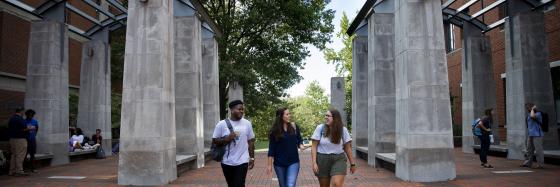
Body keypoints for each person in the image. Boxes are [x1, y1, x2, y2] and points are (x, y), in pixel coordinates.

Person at [212, 100, 255, 187]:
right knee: (231, 184)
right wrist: (227, 139)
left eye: (242, 109)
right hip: (227, 161)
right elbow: (214, 140)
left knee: (239, 184)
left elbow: (251, 141)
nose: (242, 111)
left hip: (242, 160)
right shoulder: (221, 124)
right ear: (231, 110)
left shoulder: (247, 123)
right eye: (239, 109)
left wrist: (252, 158)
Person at [311, 108, 356, 187]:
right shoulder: (320, 128)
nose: (326, 117)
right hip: (322, 159)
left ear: (335, 118)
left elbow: (347, 148)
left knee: (337, 184)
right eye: (325, 115)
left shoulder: (343, 130)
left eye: (328, 116)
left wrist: (352, 164)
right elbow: (314, 146)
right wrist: (314, 163)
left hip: (338, 159)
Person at [267, 107, 306, 187]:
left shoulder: (294, 126)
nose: (289, 116)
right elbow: (271, 149)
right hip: (279, 163)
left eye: (289, 114)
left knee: (290, 185)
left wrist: (301, 145)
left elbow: (299, 139)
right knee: (283, 185)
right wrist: (269, 165)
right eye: (287, 114)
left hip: (293, 162)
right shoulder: (274, 131)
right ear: (281, 116)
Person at [521, 103, 544, 169]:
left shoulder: (538, 114)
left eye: (528, 107)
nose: (527, 109)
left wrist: (533, 109)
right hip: (530, 134)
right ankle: (528, 163)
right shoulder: (528, 114)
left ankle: (540, 164)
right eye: (527, 108)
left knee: (538, 150)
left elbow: (532, 116)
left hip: (537, 134)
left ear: (532, 107)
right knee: (529, 149)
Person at [8, 107, 29, 176]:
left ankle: (12, 170)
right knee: (20, 155)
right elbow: (23, 129)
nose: (24, 113)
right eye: (23, 112)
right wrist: (30, 128)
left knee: (14, 155)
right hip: (20, 139)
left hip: (12, 139)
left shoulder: (11, 119)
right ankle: (19, 170)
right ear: (21, 111)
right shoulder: (20, 119)